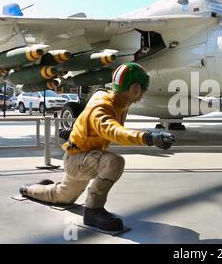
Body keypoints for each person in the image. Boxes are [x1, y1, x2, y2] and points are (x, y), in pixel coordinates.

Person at [19, 63, 175, 232]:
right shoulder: (104, 106)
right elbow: (114, 131)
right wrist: (148, 137)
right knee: (114, 162)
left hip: (82, 156)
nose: (143, 95)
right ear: (135, 88)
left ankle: (29, 189)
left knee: (61, 196)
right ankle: (93, 210)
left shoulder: (114, 100)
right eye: (143, 90)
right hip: (79, 159)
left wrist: (75, 132)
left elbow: (89, 120)